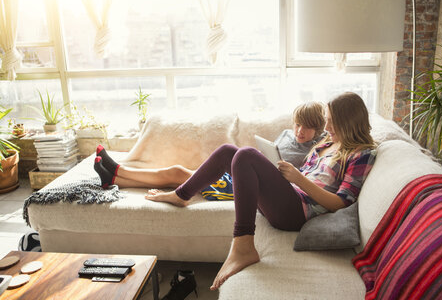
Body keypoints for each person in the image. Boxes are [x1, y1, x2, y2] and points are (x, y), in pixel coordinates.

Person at [99, 92, 377, 291]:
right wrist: (286, 176)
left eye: (332, 122)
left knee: (244, 155)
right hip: (290, 195)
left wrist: (297, 180)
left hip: (299, 212)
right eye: (326, 121)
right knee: (228, 152)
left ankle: (244, 244)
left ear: (349, 122)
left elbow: (341, 202)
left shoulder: (361, 153)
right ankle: (182, 195)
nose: (327, 128)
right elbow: (308, 174)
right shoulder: (327, 144)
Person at [93, 101, 327, 192]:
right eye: (297, 125)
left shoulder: (315, 149)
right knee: (176, 174)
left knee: (177, 173)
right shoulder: (288, 134)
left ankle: (118, 171)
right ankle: (114, 179)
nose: (299, 132)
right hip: (248, 173)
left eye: (306, 128)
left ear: (318, 128)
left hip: (251, 186)